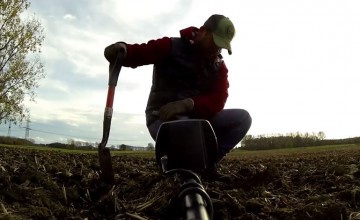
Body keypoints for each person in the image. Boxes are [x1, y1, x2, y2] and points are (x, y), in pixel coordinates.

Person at [104, 14, 252, 179]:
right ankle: (180, 168)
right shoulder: (171, 46)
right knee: (186, 131)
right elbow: (140, 52)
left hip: (198, 120)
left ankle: (207, 165)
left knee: (243, 118)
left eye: (221, 47)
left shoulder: (218, 66)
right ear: (202, 32)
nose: (216, 50)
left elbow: (219, 99)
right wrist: (122, 50)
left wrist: (188, 104)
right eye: (215, 42)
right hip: (161, 118)